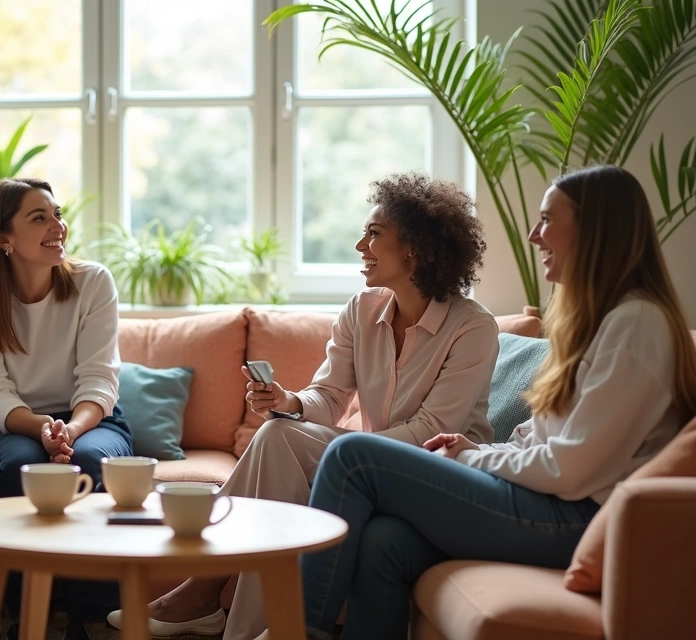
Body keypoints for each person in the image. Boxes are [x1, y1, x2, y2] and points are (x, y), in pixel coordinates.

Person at [292, 165, 696, 640]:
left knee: (351, 457)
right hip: (549, 503)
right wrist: (482, 455)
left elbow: (570, 468)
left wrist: (474, 455)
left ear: (595, 228)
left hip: (573, 519)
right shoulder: (599, 321)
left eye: (548, 219)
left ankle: (299, 630)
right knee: (383, 542)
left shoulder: (636, 326)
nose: (535, 235)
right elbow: (545, 437)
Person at [110, 172, 499, 639]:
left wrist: (347, 451)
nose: (360, 245)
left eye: (374, 234)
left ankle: (205, 592)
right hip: (367, 463)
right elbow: (331, 395)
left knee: (282, 441)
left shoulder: (472, 328)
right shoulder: (362, 309)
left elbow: (431, 430)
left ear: (414, 248)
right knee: (277, 432)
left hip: (439, 475)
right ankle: (245, 624)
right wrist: (290, 401)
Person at [0, 177, 133, 498]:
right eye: (39, 218)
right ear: (4, 238)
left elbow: (98, 378)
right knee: (19, 466)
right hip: (15, 425)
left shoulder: (93, 282)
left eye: (57, 215)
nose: (58, 226)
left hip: (90, 421)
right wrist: (42, 427)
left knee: (89, 459)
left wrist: (70, 431)